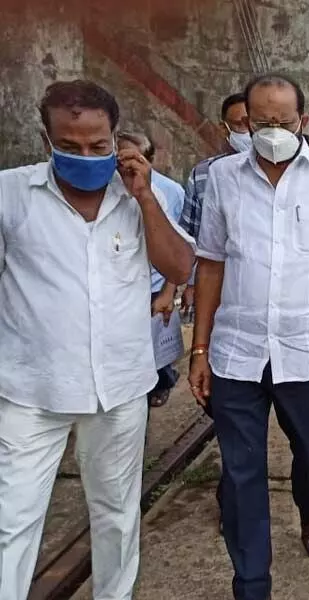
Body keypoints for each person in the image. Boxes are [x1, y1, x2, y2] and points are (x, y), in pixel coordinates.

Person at [187, 74, 309, 600]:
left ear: (302, 119)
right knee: (242, 472)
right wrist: (200, 348)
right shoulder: (223, 177)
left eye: (283, 121)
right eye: (262, 122)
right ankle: (252, 583)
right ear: (246, 121)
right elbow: (210, 265)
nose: (273, 130)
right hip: (237, 353)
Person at [0, 80, 195, 600]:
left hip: (119, 387)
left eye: (97, 146)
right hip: (30, 390)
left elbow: (179, 265)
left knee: (116, 513)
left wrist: (145, 197)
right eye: (69, 146)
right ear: (47, 140)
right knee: (12, 519)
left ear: (116, 139)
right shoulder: (10, 194)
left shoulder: (141, 194)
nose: (85, 156)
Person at [117, 131, 187, 408]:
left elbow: (181, 241)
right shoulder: (105, 190)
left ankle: (162, 380)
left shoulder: (168, 192)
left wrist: (171, 288)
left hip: (156, 282)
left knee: (157, 342)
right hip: (122, 286)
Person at [179, 92, 249, 316]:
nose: (248, 132)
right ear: (224, 128)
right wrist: (190, 283)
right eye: (240, 125)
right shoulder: (203, 175)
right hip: (213, 288)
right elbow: (189, 234)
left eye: (253, 124)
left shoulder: (280, 176)